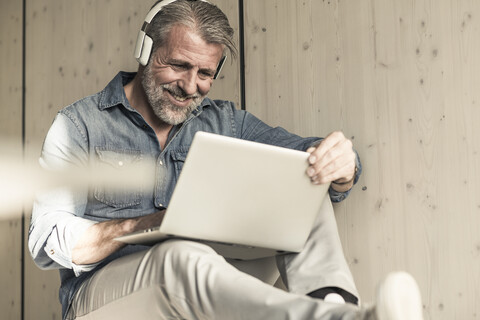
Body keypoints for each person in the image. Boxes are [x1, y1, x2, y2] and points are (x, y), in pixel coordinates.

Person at [28, 1, 423, 319]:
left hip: (206, 279)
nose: (189, 86)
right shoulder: (79, 126)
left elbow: (311, 158)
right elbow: (46, 242)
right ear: (145, 51)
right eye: (179, 65)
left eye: (205, 73)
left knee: (301, 172)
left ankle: (334, 303)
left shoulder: (225, 121)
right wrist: (145, 225)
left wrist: (341, 164)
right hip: (104, 299)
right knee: (180, 256)